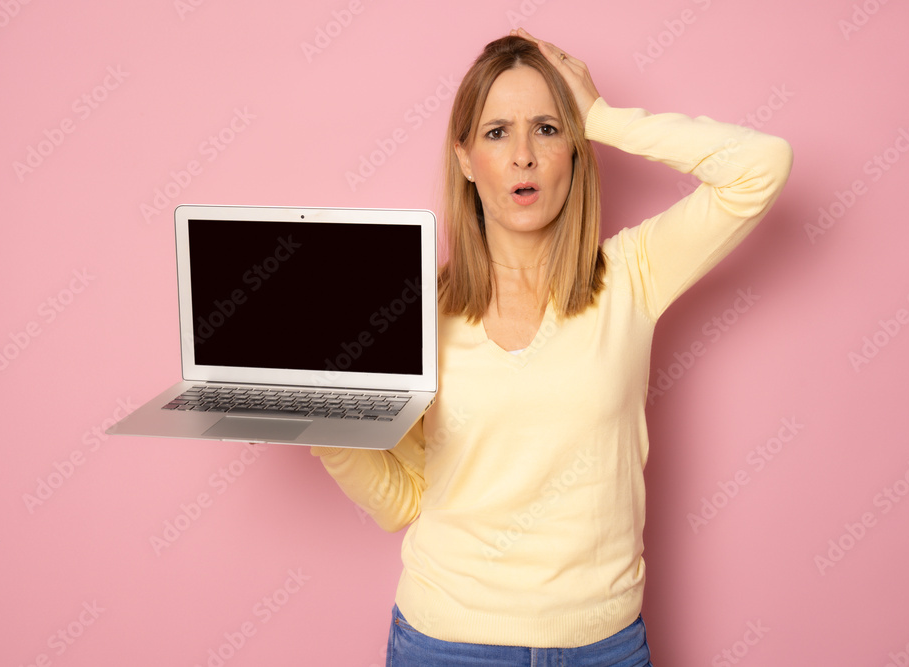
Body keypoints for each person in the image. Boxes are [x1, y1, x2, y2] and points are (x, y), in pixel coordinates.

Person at [311, 28, 793, 666]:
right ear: (464, 159)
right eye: (495, 133)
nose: (522, 157)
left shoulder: (633, 275)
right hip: (446, 645)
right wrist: (320, 423)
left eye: (546, 128)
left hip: (604, 647)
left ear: (576, 149)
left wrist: (604, 116)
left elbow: (760, 166)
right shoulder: (416, 312)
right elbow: (405, 500)